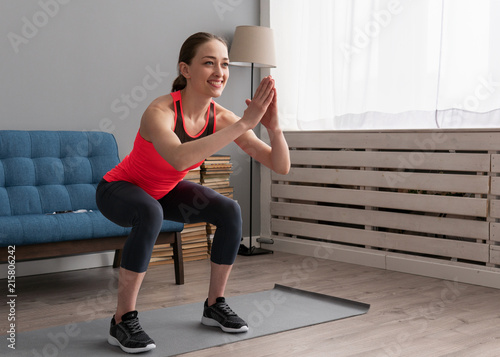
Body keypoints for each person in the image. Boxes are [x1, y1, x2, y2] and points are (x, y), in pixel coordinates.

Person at [96, 32, 290, 354]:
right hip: (119, 190)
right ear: (185, 69)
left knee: (229, 210)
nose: (220, 72)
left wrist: (274, 128)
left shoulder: (221, 117)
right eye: (208, 63)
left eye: (225, 64)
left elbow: (278, 164)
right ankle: (122, 321)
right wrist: (245, 123)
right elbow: (180, 157)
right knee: (149, 212)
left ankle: (215, 305)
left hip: (163, 191)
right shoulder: (160, 112)